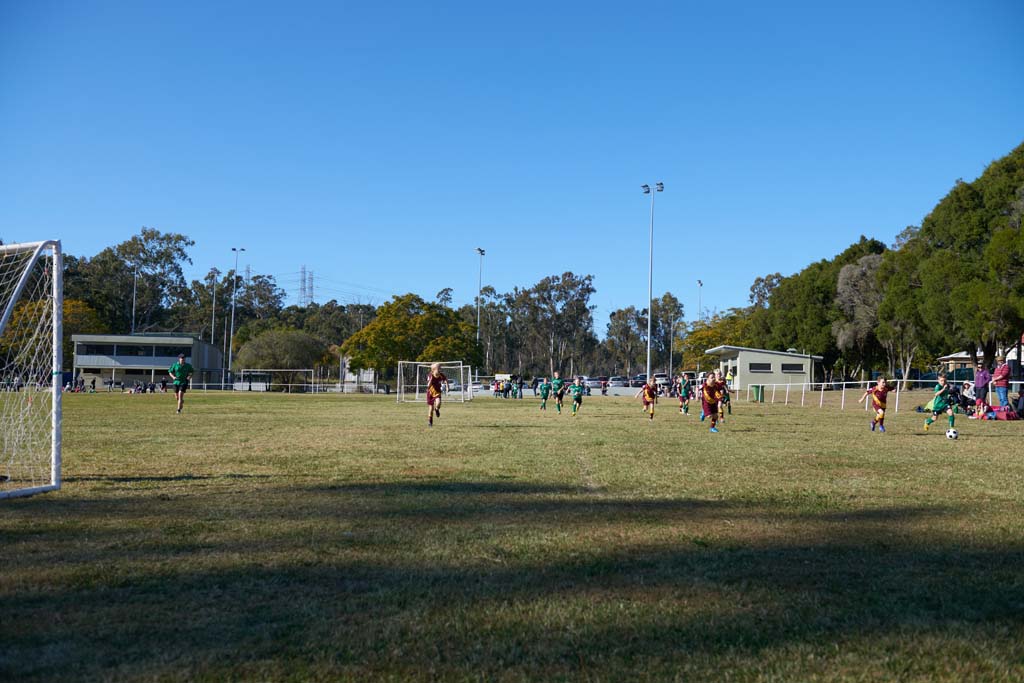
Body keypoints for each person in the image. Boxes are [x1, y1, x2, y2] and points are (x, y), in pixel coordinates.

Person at [424, 362, 449, 427]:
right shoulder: (430, 375)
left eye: (440, 367)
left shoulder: (441, 375)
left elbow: (445, 380)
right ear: (434, 369)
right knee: (431, 408)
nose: (440, 369)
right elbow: (428, 386)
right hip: (430, 393)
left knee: (438, 403)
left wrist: (447, 387)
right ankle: (430, 422)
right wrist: (430, 381)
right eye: (439, 368)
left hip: (437, 392)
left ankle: (437, 409)